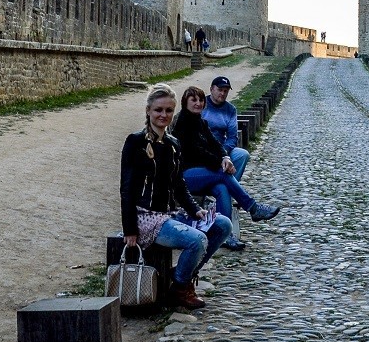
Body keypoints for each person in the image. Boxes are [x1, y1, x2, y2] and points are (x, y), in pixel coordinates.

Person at [120, 84, 232, 309]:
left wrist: (195, 210)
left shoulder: (173, 144)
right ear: (149, 111)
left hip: (171, 214)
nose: (163, 115)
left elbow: (178, 184)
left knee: (222, 224)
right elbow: (127, 188)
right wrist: (129, 229)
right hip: (146, 218)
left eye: (168, 111)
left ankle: (183, 275)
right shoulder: (136, 142)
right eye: (158, 110)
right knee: (197, 240)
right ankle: (180, 286)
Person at [174, 85, 281, 251]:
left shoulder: (201, 122)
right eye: (193, 100)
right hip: (186, 176)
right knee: (222, 175)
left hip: (204, 174)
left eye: (201, 100)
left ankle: (225, 234)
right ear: (185, 102)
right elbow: (197, 153)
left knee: (222, 187)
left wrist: (225, 157)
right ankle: (253, 208)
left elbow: (215, 144)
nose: (198, 103)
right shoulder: (183, 124)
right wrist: (221, 163)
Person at [200, 75, 249, 182]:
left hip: (222, 148)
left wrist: (223, 152)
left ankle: (229, 188)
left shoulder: (230, 109)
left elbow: (232, 137)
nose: (222, 93)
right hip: (202, 148)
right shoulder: (201, 104)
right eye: (220, 90)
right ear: (212, 89)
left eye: (225, 91)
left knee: (242, 155)